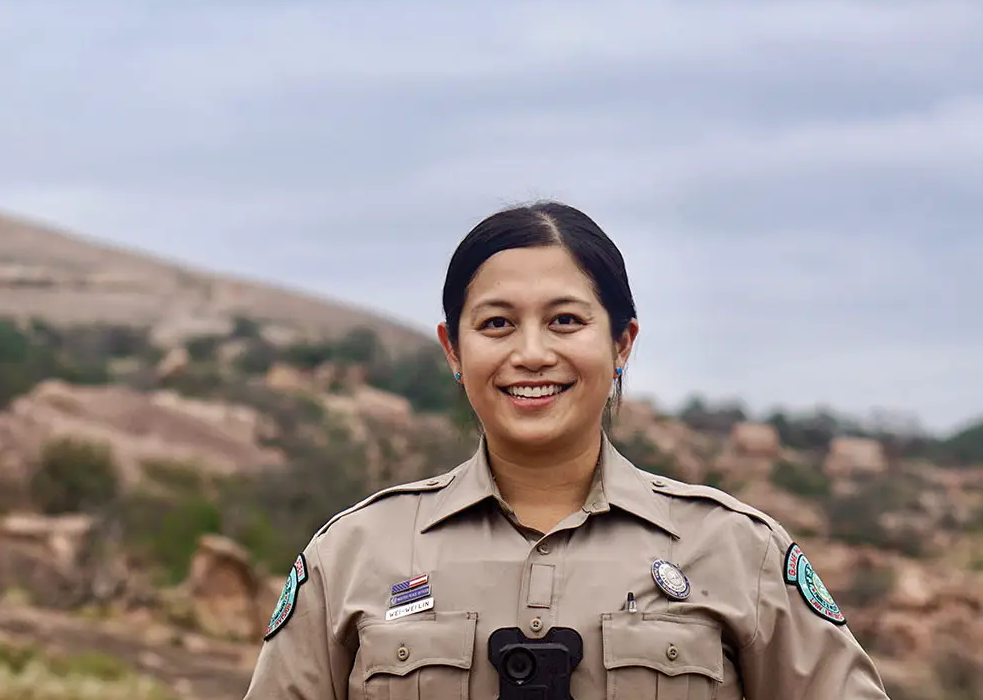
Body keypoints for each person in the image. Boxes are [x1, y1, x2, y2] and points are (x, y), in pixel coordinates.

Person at [242, 201, 891, 699]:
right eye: (497, 324)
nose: (530, 353)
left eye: (565, 321)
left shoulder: (736, 552)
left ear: (621, 344)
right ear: (453, 349)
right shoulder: (353, 556)